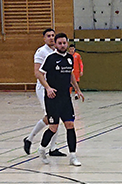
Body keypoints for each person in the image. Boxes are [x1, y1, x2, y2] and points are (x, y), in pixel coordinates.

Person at [35, 33, 85, 167]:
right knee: (53, 127)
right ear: (56, 45)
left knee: (70, 125)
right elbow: (39, 74)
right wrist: (48, 88)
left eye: (64, 43)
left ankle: (73, 156)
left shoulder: (69, 58)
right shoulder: (50, 58)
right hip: (52, 99)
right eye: (60, 43)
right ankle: (41, 148)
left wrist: (77, 89)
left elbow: (70, 75)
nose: (62, 45)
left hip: (65, 98)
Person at [23, 28, 65, 157]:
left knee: (54, 118)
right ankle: (31, 138)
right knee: (52, 116)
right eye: (48, 36)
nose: (51, 38)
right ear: (44, 38)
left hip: (55, 87)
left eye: (53, 35)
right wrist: (47, 87)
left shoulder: (57, 51)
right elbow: (37, 72)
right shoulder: (41, 52)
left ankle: (52, 147)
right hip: (44, 87)